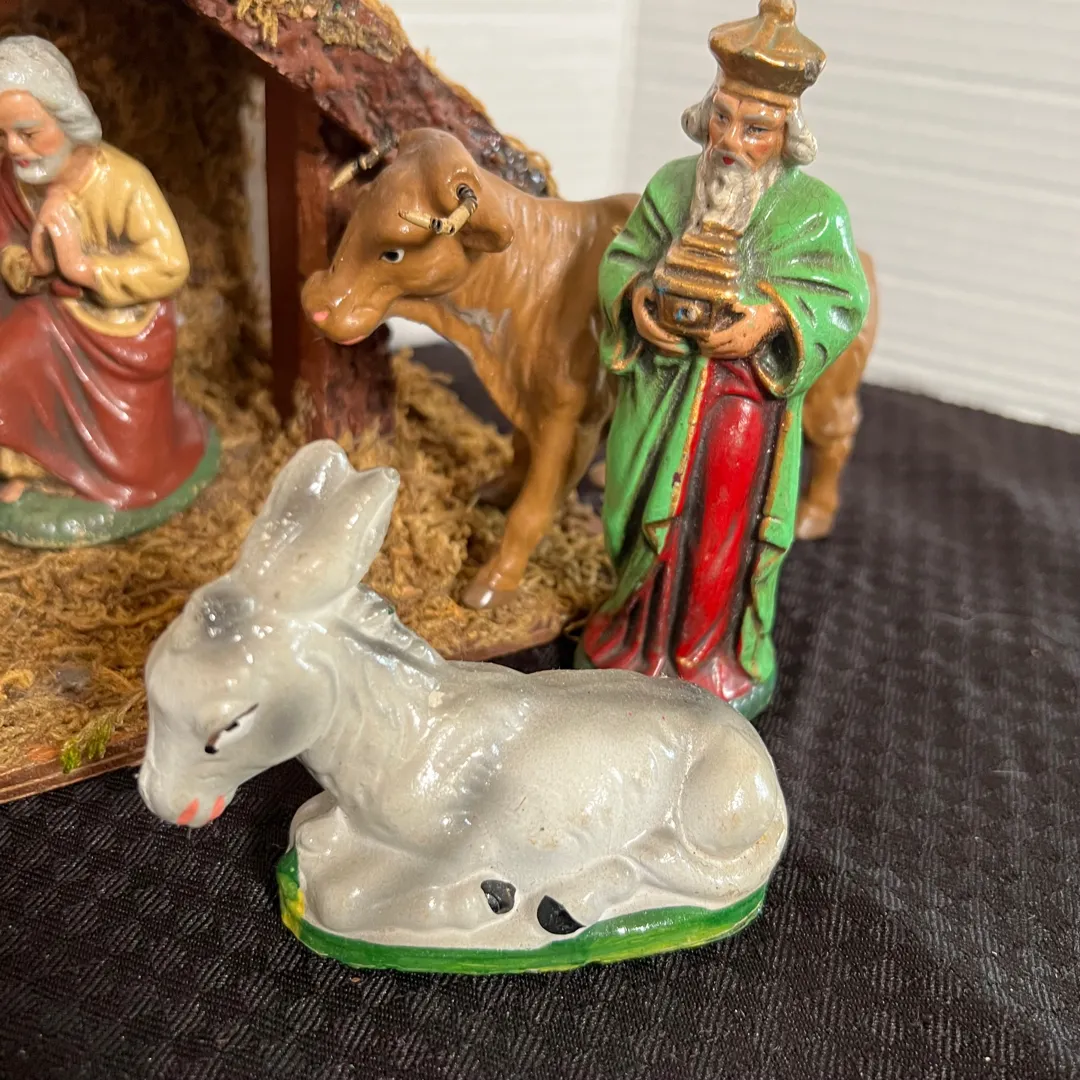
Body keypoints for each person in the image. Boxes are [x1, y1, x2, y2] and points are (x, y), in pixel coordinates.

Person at [577, 0, 870, 718]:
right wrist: (638, 301)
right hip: (660, 391)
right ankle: (633, 635)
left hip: (743, 406)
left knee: (716, 531)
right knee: (638, 515)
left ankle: (705, 657)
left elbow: (842, 300)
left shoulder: (817, 211)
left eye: (756, 128)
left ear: (788, 134)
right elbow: (623, 259)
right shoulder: (672, 185)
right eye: (722, 119)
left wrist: (769, 318)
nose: (732, 141)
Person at [0, 34, 210, 529]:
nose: (14, 149)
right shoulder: (12, 181)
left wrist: (88, 270)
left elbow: (170, 266)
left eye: (28, 133)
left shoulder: (124, 182)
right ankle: (31, 465)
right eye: (2, 136)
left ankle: (89, 472)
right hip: (43, 311)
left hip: (118, 331)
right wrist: (28, 266)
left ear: (67, 119)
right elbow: (5, 245)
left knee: (134, 467)